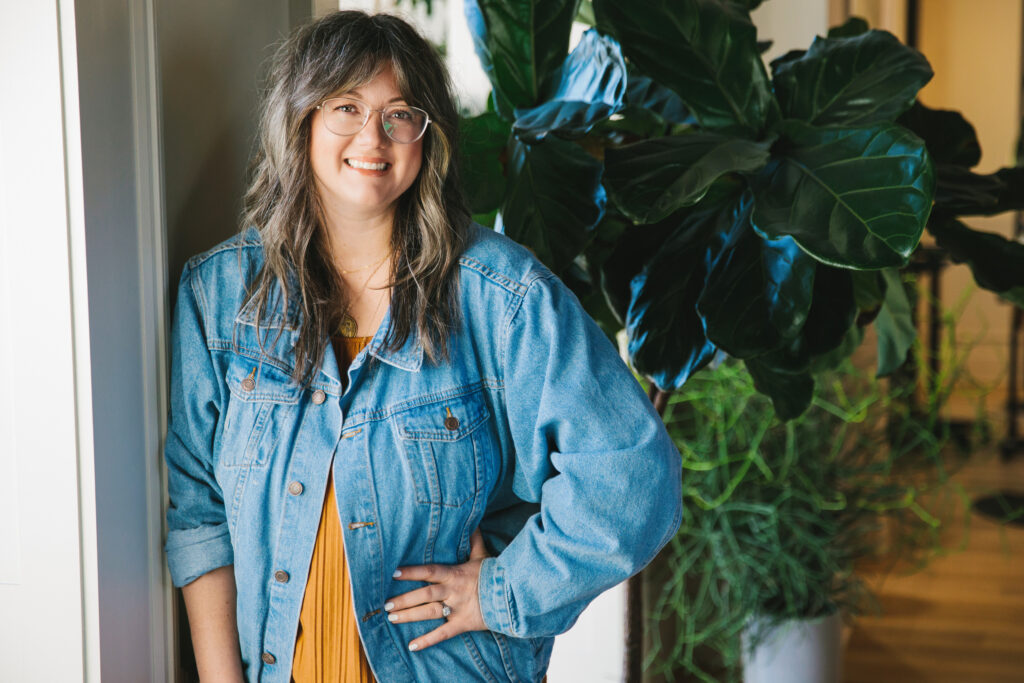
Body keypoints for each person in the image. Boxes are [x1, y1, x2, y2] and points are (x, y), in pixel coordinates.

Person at [163, 10, 682, 683]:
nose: (372, 137)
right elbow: (199, 512)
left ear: (427, 135)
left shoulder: (504, 299)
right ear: (302, 119)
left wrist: (502, 590)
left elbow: (635, 478)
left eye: (400, 113)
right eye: (346, 107)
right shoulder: (220, 295)